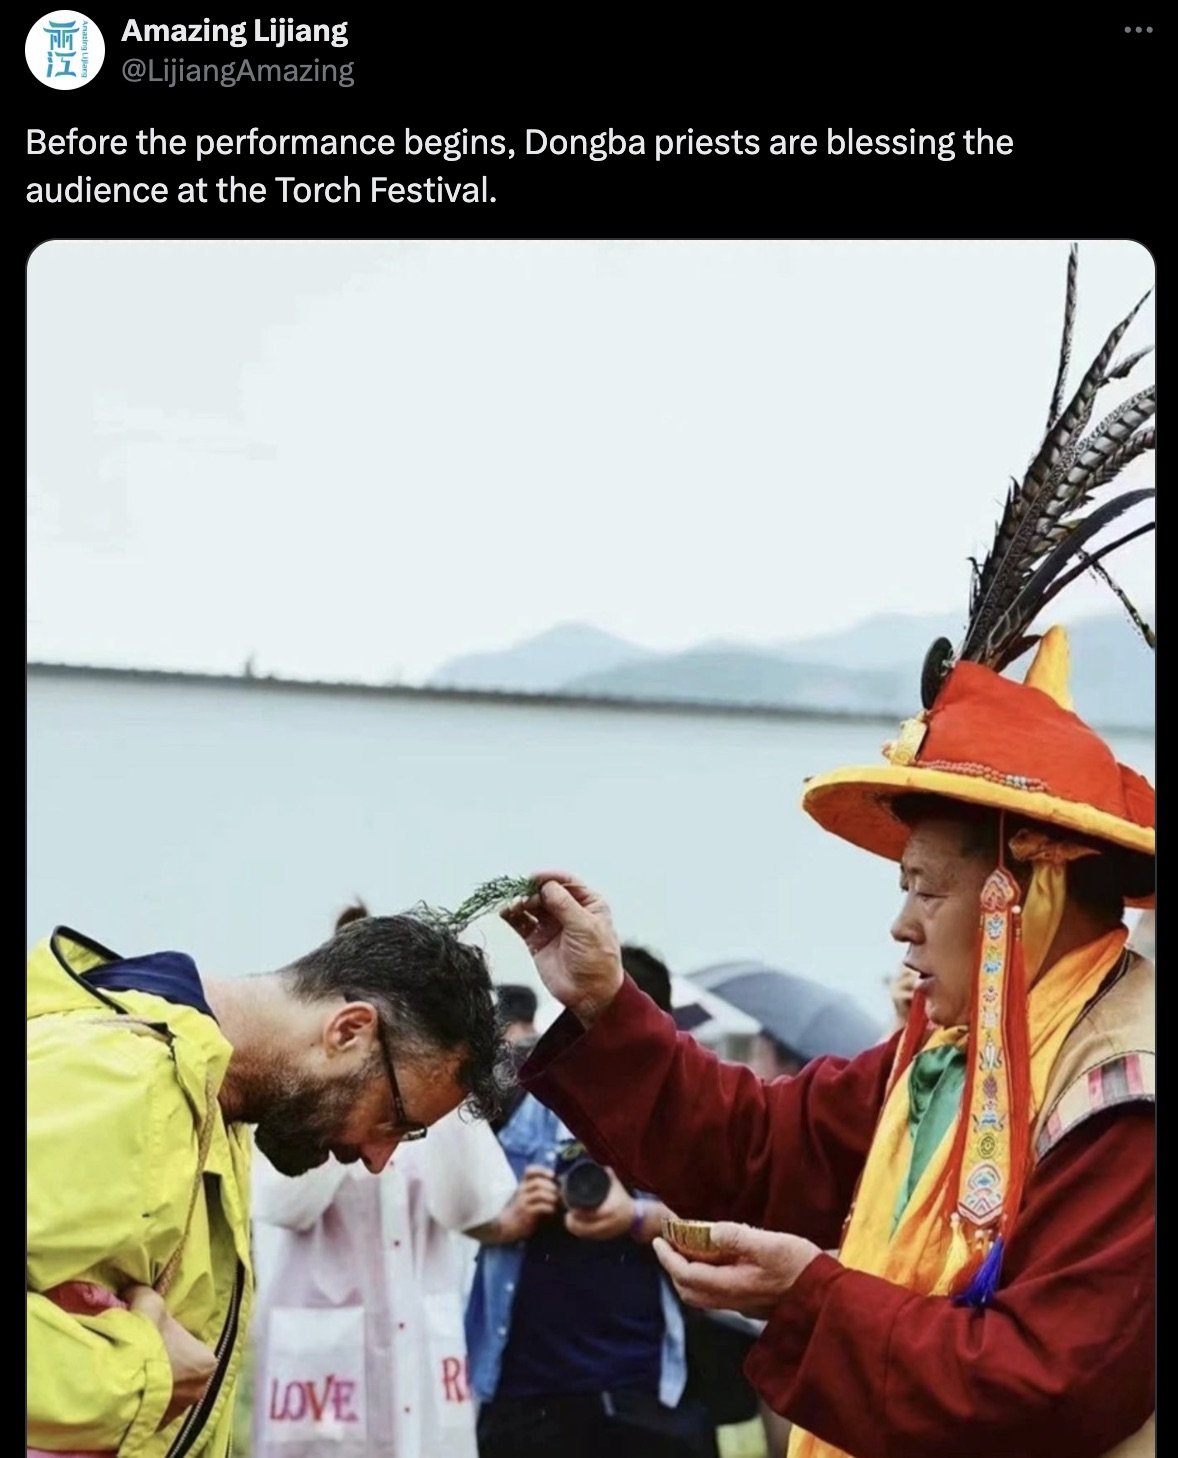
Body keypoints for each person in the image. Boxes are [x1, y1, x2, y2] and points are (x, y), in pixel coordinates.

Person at [502, 253, 1156, 1457]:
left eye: (923, 888)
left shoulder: (1120, 1091)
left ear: (1028, 888)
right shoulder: (946, 1060)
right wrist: (601, 1002)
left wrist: (807, 1295)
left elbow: (1049, 1386)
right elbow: (757, 1146)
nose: (900, 927)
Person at [27, 909, 504, 1458]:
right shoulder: (116, 1081)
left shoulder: (210, 1102)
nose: (377, 1158)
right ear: (348, 1030)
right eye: (394, 1120)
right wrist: (144, 1379)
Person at [249, 902, 519, 1458]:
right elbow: (281, 1202)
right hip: (325, 1358)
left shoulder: (427, 1107)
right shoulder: (298, 1089)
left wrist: (438, 1082)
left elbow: (475, 1203)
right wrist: (342, 1103)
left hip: (421, 1344)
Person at [465, 944, 720, 1458]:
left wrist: (636, 1216)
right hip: (523, 1391)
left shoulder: (685, 1114)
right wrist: (502, 1218)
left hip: (644, 1390)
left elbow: (721, 1232)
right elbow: (440, 1200)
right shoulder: (516, 1100)